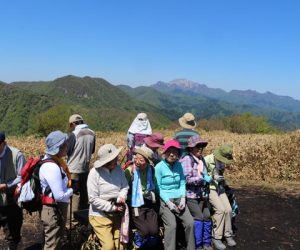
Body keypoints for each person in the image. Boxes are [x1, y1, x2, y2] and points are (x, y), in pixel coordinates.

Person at [155, 139, 195, 250]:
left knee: (190, 223)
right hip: (165, 199)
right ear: (165, 152)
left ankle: (191, 247)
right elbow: (158, 187)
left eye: (175, 152)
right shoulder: (159, 167)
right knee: (172, 226)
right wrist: (168, 202)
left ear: (178, 154)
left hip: (179, 197)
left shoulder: (179, 165)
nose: (172, 154)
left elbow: (182, 182)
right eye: (170, 151)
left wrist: (183, 198)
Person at [87, 144, 129, 250]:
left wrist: (121, 197)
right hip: (99, 215)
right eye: (112, 159)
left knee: (121, 245)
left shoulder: (119, 170)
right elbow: (92, 199)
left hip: (117, 215)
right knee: (108, 247)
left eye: (115, 158)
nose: (115, 160)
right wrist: (113, 207)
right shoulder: (94, 173)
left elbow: (124, 186)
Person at [39, 130, 74, 250]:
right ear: (58, 148)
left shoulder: (54, 161)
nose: (67, 146)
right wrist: (71, 191)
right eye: (65, 144)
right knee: (52, 245)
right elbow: (59, 196)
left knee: (55, 241)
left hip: (53, 209)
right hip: (53, 210)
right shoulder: (52, 166)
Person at [180, 135, 213, 250]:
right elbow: (186, 179)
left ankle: (207, 242)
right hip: (191, 195)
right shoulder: (187, 160)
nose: (200, 148)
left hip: (201, 194)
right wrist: (202, 179)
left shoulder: (201, 159)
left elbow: (203, 174)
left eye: (201, 146)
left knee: (207, 216)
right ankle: (198, 245)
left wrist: (207, 178)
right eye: (197, 146)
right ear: (191, 148)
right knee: (199, 217)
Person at [124, 145, 159, 248]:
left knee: (154, 231)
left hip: (148, 202)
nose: (138, 162)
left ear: (148, 162)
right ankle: (137, 240)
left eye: (141, 160)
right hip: (136, 203)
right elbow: (124, 189)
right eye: (136, 159)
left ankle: (149, 244)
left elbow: (154, 185)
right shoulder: (129, 171)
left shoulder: (151, 170)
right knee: (144, 231)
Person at [205, 144, 237, 250]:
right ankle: (216, 237)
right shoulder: (207, 160)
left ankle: (228, 234)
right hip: (210, 187)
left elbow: (222, 177)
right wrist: (213, 178)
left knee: (228, 209)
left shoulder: (222, 162)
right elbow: (201, 175)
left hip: (220, 187)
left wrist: (226, 186)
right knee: (220, 210)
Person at [0, 131, 26, 250]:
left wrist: (6, 185)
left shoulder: (17, 155)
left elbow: (22, 177)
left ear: (4, 143)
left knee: (12, 234)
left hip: (12, 200)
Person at [67, 114, 96, 219]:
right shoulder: (92, 133)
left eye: (71, 125)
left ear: (74, 123)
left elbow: (68, 151)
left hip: (73, 169)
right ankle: (84, 217)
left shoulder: (74, 134)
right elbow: (92, 150)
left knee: (74, 194)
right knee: (84, 193)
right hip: (86, 168)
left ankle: (72, 220)